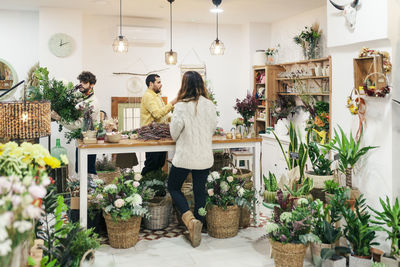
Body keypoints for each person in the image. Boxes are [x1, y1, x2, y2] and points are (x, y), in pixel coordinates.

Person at [168, 71, 217, 247]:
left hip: (185, 156)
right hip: (204, 156)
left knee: (173, 187)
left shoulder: (181, 106)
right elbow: (212, 128)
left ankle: (190, 221)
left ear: (184, 85)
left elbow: (174, 134)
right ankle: (200, 224)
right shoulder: (210, 105)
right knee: (199, 190)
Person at [51, 71, 99, 175]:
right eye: (81, 81)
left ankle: (91, 190)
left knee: (87, 170)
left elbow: (79, 125)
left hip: (89, 141)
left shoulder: (92, 103)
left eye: (85, 82)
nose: (81, 84)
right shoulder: (81, 98)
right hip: (81, 140)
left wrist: (59, 118)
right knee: (80, 169)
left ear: (92, 84)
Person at [140, 74, 177, 175]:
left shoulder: (157, 96)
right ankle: (145, 187)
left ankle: (156, 187)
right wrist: (172, 103)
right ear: (151, 84)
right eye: (158, 82)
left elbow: (163, 116)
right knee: (152, 164)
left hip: (159, 134)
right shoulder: (148, 96)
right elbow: (157, 114)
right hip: (151, 135)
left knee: (159, 163)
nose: (161, 84)